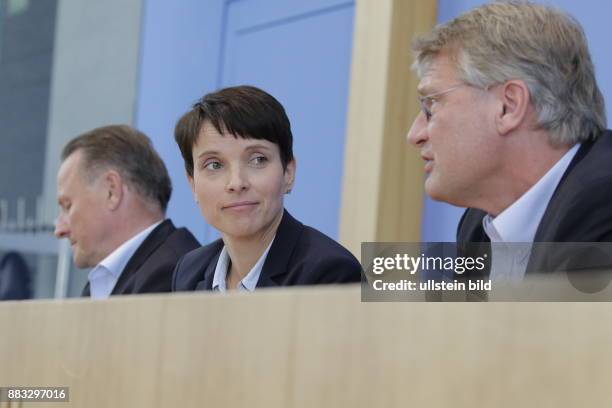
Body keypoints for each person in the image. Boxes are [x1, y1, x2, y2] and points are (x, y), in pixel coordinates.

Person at [406, 2, 612, 280]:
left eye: (432, 105)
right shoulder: (478, 226)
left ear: (508, 106)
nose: (415, 135)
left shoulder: (602, 204)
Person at [172, 85, 361, 291]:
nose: (236, 183)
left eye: (258, 160)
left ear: (288, 172)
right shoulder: (189, 272)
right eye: (214, 165)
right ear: (192, 184)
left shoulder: (329, 272)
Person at [54, 125, 199, 298]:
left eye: (67, 205)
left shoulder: (179, 275)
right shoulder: (106, 280)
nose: (59, 230)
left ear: (111, 191)